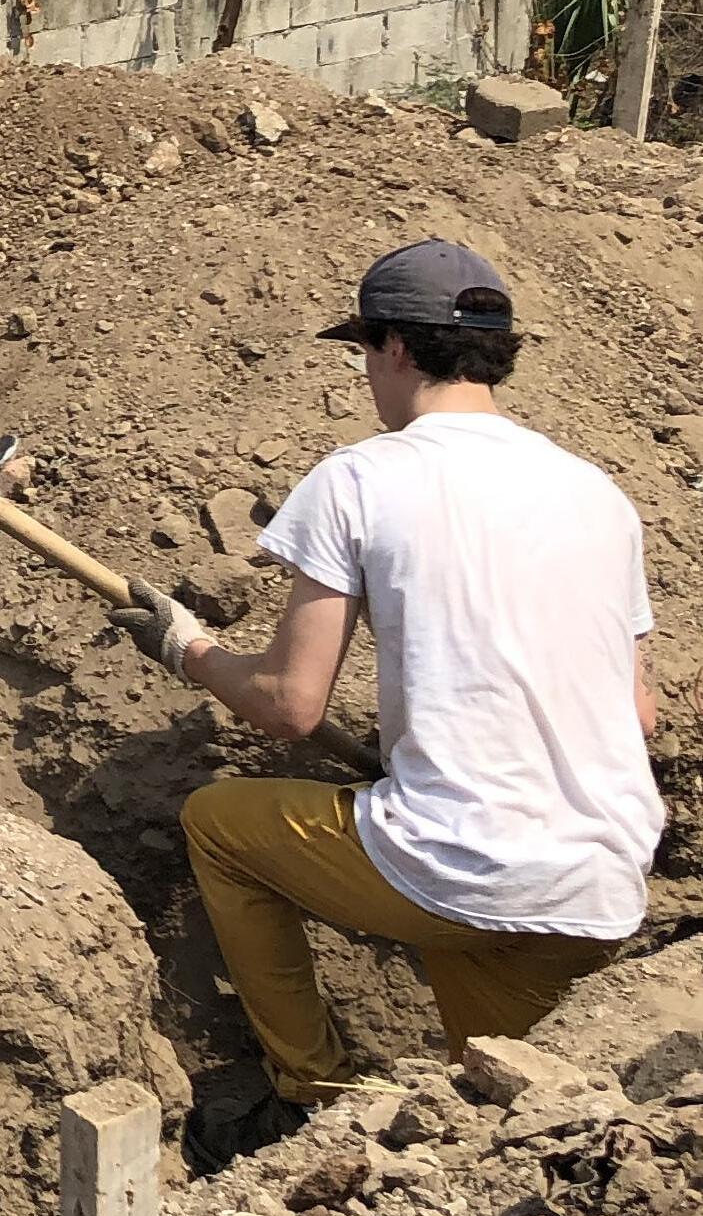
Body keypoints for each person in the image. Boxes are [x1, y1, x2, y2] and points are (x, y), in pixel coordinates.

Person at [114, 241, 662, 1168]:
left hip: (462, 866)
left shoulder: (362, 477)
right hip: (599, 882)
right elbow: (636, 717)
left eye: (366, 350)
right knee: (496, 1111)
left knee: (217, 823)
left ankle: (311, 1097)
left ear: (396, 348)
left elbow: (290, 706)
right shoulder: (596, 494)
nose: (368, 374)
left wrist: (188, 647)